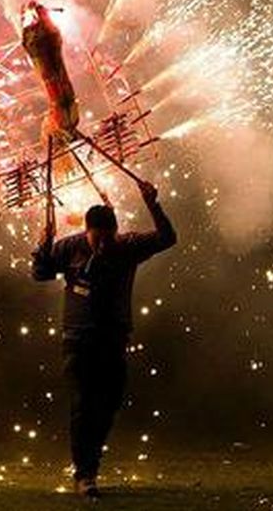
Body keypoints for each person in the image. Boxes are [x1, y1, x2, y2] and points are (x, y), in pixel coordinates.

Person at [31, 179, 177, 499]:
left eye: (108, 238)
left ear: (115, 231)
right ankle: (86, 475)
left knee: (108, 404)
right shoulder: (70, 247)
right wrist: (43, 247)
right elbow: (40, 273)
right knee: (84, 405)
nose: (102, 245)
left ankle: (89, 467)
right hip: (79, 340)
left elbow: (167, 237)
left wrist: (152, 203)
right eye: (97, 238)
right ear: (88, 231)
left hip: (113, 340)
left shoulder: (126, 246)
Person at [20, 0, 79, 157]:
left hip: (54, 77)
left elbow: (38, 39)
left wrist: (35, 14)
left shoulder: (68, 119)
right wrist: (38, 12)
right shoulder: (68, 120)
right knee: (56, 81)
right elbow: (46, 37)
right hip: (55, 79)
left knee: (55, 81)